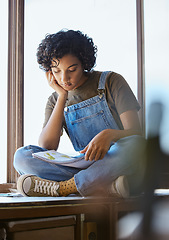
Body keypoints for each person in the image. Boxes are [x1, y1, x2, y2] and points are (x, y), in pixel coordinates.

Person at [14, 29, 145, 198]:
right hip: (85, 165)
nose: (64, 79)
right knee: (22, 156)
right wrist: (62, 97)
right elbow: (47, 147)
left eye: (72, 69)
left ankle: (65, 188)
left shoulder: (111, 82)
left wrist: (109, 135)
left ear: (84, 63)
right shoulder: (54, 100)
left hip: (115, 160)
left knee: (137, 145)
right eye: (56, 71)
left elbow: (135, 133)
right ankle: (105, 186)